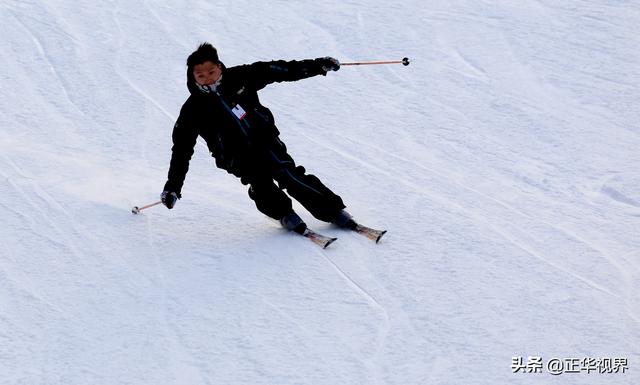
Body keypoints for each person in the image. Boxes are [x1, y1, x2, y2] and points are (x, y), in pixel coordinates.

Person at [161, 42, 359, 235]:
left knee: (289, 174)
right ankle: (284, 214)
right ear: (193, 76)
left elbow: (280, 70)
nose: (207, 79)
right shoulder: (193, 109)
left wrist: (318, 65)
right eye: (200, 75)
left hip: (265, 139)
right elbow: (181, 149)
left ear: (219, 67)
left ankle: (332, 210)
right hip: (234, 155)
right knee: (261, 184)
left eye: (211, 72)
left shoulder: (240, 77)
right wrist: (173, 187)